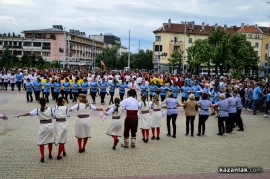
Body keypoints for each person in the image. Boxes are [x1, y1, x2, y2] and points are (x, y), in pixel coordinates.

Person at [15, 98, 55, 162]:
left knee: (41, 142)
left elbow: (29, 113)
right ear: (46, 102)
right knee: (50, 141)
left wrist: (20, 115)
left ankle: (42, 157)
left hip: (42, 127)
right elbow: (55, 115)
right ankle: (50, 154)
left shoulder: (37, 110)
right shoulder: (51, 109)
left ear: (39, 103)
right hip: (50, 126)